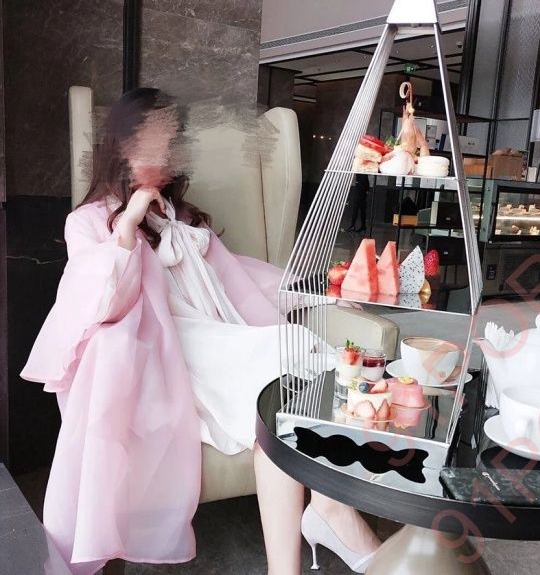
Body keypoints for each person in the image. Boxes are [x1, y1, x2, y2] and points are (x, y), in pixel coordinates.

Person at [20, 88, 380, 575]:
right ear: (121, 146)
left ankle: (321, 521)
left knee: (293, 380)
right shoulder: (86, 222)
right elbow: (99, 308)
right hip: (166, 353)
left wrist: (320, 293)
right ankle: (330, 518)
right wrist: (127, 226)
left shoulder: (184, 218)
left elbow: (242, 279)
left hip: (218, 338)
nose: (164, 153)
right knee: (278, 378)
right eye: (152, 139)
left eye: (170, 142)